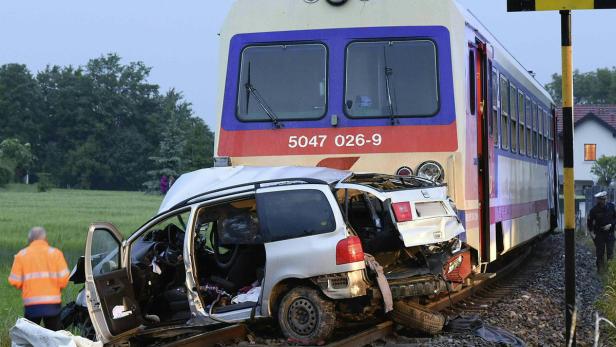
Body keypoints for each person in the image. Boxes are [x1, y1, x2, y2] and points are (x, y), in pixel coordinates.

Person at [8, 227, 70, 331]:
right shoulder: (55, 253)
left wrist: (28, 287)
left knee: (30, 336)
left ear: (30, 239)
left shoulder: (21, 255)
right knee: (54, 337)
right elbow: (64, 279)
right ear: (45, 239)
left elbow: (15, 281)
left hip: (31, 306)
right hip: (52, 305)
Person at [587, 191, 616, 272]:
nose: (602, 201)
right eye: (599, 199)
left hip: (610, 233)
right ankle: (600, 271)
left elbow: (615, 218)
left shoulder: (611, 207)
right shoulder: (594, 210)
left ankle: (610, 272)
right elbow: (589, 222)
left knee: (610, 253)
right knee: (600, 253)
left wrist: (610, 224)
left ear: (605, 198)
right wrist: (592, 233)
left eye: (603, 199)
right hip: (599, 234)